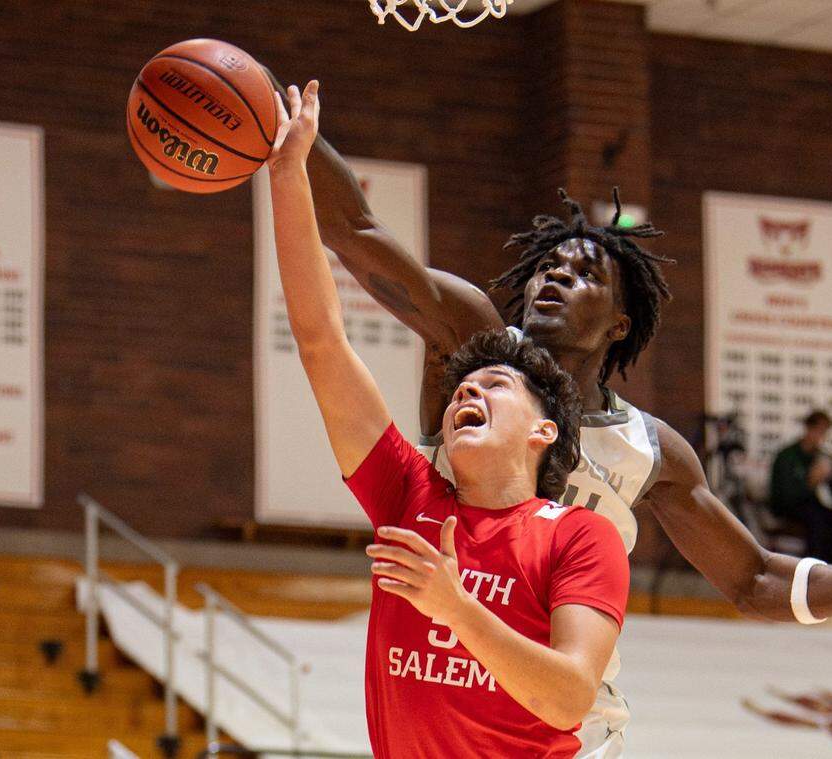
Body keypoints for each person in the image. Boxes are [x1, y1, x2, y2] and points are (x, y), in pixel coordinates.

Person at [299, 88, 832, 756]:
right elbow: (356, 231)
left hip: (564, 721)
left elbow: (755, 578)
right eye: (545, 267)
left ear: (620, 322)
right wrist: (284, 130)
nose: (552, 276)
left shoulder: (649, 451)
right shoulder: (476, 342)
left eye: (580, 273)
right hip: (440, 691)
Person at [267, 81, 631, 758]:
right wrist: (289, 178)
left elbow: (569, 696)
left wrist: (457, 606)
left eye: (494, 383)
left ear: (543, 429)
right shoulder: (409, 493)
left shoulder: (582, 537)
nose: (467, 393)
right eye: (462, 385)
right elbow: (321, 339)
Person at [770, 410, 832, 564]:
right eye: (818, 430)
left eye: (824, 432)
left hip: (814, 507)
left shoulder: (821, 456)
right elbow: (783, 497)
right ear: (808, 429)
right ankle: (819, 571)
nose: (820, 436)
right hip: (791, 508)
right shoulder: (787, 456)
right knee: (822, 525)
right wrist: (810, 481)